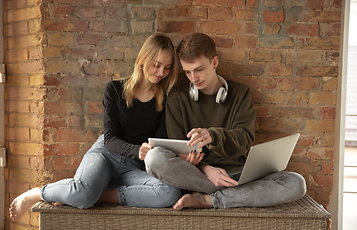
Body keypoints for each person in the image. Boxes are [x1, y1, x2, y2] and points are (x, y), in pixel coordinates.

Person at [9, 32, 182, 222]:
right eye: (156, 65)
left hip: (134, 167)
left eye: (167, 67)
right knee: (83, 191)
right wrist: (136, 150)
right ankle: (37, 193)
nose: (161, 72)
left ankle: (95, 194)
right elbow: (110, 139)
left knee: (170, 192)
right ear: (142, 59)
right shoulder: (114, 89)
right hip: (105, 155)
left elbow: (159, 139)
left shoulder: (167, 98)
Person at [143, 33, 307, 210]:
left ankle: (210, 200)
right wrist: (207, 169)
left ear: (214, 62)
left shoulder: (240, 93)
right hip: (199, 176)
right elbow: (178, 150)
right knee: (154, 158)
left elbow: (244, 140)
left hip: (238, 175)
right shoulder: (177, 98)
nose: (193, 78)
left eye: (199, 69)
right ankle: (238, 196)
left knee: (296, 182)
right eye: (188, 72)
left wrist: (212, 136)